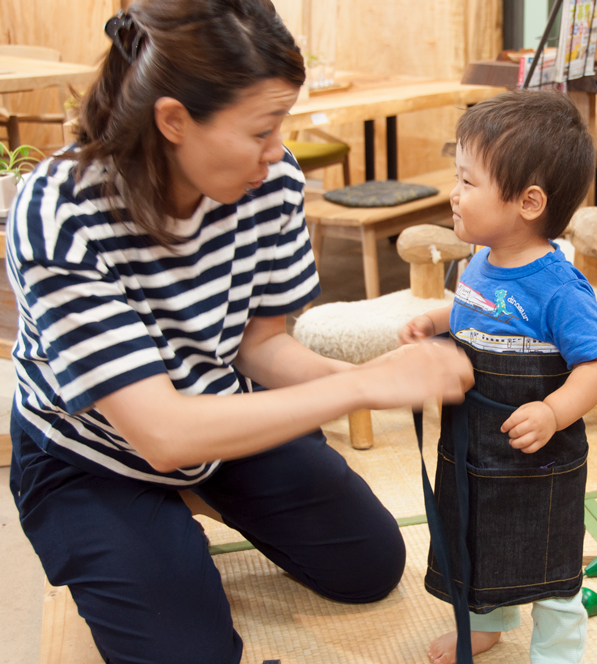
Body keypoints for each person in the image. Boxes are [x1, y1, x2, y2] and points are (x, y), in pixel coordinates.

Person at [6, 2, 472, 663]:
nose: (277, 150)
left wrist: (376, 384)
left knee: (370, 566)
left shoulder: (270, 182)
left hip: (218, 416)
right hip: (89, 456)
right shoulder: (62, 209)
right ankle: (149, 520)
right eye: (261, 128)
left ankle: (198, 496)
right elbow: (161, 433)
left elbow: (261, 346)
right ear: (174, 120)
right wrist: (363, 386)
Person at [399, 90, 597, 664]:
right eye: (458, 178)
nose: (453, 194)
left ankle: (557, 653)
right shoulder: (481, 258)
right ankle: (487, 625)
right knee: (477, 539)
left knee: (550, 563)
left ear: (528, 202)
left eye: (468, 183)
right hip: (475, 442)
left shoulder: (559, 288)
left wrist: (555, 411)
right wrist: (436, 317)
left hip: (538, 456)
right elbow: (476, 308)